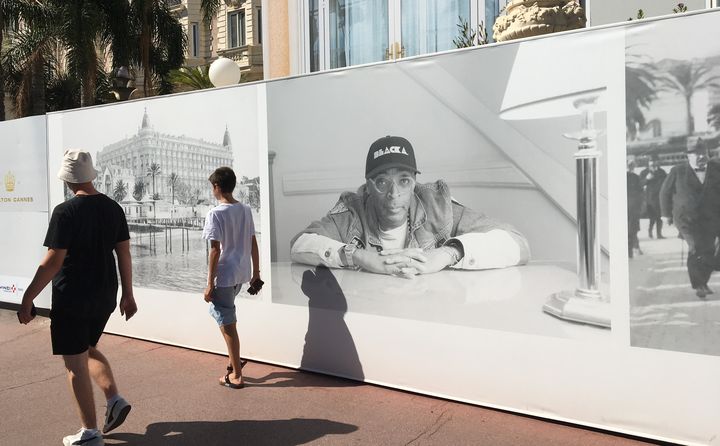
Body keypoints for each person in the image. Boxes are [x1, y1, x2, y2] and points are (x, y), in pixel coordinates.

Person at [18, 149, 137, 446]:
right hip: (105, 294)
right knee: (84, 349)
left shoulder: (65, 212)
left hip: (72, 297)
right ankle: (114, 399)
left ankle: (90, 433)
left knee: (74, 364)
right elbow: (124, 252)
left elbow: (53, 262)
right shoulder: (113, 208)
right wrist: (128, 295)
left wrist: (27, 298)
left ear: (68, 180)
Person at [290, 135, 530, 276]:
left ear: (414, 182)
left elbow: (517, 243)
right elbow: (300, 244)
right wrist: (358, 257)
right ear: (368, 185)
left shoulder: (438, 204)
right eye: (383, 182)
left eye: (404, 181)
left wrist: (448, 253)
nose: (394, 194)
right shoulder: (352, 210)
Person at [202, 167, 261, 389]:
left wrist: (209, 284)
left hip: (225, 276)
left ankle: (236, 375)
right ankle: (233, 361)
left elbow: (215, 251)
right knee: (227, 317)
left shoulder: (215, 214)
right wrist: (256, 273)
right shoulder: (245, 210)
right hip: (241, 274)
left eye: (212, 186)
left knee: (228, 326)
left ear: (217, 187)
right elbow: (253, 242)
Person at [660, 137, 720, 298]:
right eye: (695, 154)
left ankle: (704, 281)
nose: (700, 156)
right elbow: (664, 193)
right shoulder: (678, 171)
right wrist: (665, 214)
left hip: (710, 219)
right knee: (695, 248)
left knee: (709, 250)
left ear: (707, 153)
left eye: (703, 153)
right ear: (688, 156)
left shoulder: (717, 168)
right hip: (686, 220)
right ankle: (699, 285)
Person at [640, 154, 668, 239]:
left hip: (659, 198)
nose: (653, 163)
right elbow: (640, 184)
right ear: (648, 163)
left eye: (655, 161)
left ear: (658, 162)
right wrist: (647, 179)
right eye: (651, 161)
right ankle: (650, 232)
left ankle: (659, 234)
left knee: (660, 217)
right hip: (650, 198)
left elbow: (666, 184)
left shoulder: (662, 172)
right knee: (652, 217)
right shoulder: (644, 172)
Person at [627, 158, 643, 258]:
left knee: (631, 228)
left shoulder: (635, 177)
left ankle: (634, 248)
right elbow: (640, 191)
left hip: (631, 206)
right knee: (632, 228)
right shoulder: (635, 177)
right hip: (632, 206)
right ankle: (635, 248)